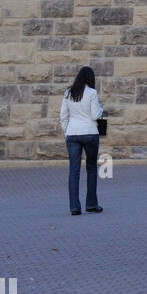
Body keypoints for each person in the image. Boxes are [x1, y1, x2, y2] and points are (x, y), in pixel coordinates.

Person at [60, 66, 104, 215]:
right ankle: (91, 204)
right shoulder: (92, 93)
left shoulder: (68, 92)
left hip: (73, 134)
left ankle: (74, 206)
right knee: (91, 168)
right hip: (90, 133)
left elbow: (63, 115)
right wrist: (101, 109)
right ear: (90, 79)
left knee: (74, 170)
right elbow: (95, 115)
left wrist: (67, 131)